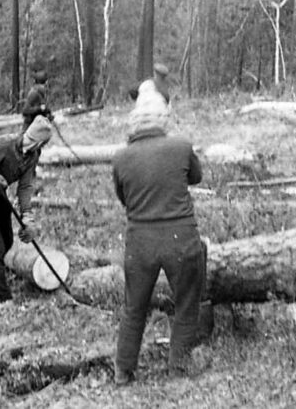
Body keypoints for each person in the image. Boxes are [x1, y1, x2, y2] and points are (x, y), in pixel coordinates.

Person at [111, 87, 204, 384]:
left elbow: (124, 198)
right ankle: (178, 365)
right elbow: (196, 177)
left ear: (133, 121)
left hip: (140, 241)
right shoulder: (181, 146)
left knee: (134, 308)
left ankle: (124, 370)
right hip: (181, 237)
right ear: (164, 118)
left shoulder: (121, 158)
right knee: (187, 302)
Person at [0, 115, 53, 301]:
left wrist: (27, 218)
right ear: (26, 133)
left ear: (40, 145)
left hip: (0, 198)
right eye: (28, 139)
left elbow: (25, 187)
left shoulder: (32, 156)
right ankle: (2, 297)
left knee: (6, 241)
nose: (28, 145)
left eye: (34, 143)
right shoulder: (5, 145)